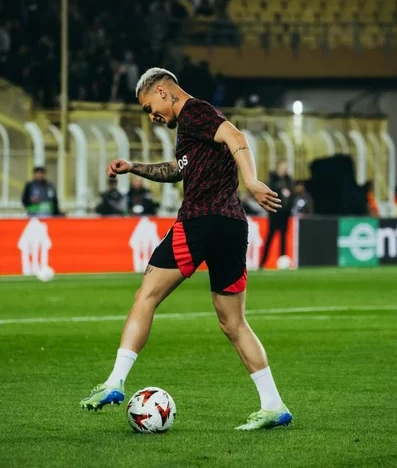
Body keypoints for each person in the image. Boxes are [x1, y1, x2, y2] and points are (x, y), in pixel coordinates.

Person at [80, 67, 291, 430]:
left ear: (163, 91)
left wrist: (252, 180)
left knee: (146, 296)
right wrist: (133, 167)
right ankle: (274, 405)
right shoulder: (192, 130)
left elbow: (236, 136)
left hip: (198, 221)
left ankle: (115, 381)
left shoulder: (194, 111)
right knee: (233, 323)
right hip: (231, 226)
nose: (152, 116)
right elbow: (177, 171)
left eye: (149, 107)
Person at [259, 160, 293, 268]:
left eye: (286, 167)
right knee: (270, 237)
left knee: (283, 238)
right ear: (279, 167)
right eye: (284, 167)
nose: (285, 169)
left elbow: (292, 195)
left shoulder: (288, 180)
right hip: (274, 213)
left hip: (285, 214)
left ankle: (282, 261)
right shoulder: (273, 180)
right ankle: (262, 263)